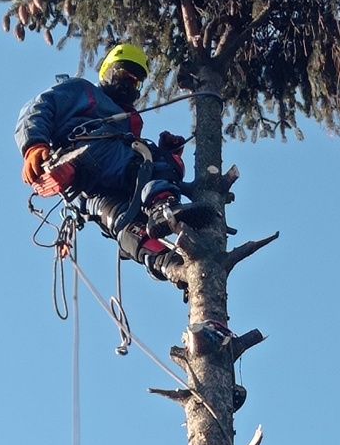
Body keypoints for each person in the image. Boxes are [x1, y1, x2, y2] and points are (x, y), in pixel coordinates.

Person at [15, 43, 212, 286]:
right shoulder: (82, 90)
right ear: (107, 71)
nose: (129, 84)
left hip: (97, 187)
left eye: (136, 81)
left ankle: (173, 267)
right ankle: (162, 209)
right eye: (123, 75)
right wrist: (34, 144)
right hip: (86, 155)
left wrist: (168, 151)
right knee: (145, 165)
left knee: (123, 222)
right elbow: (38, 107)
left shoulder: (130, 121)